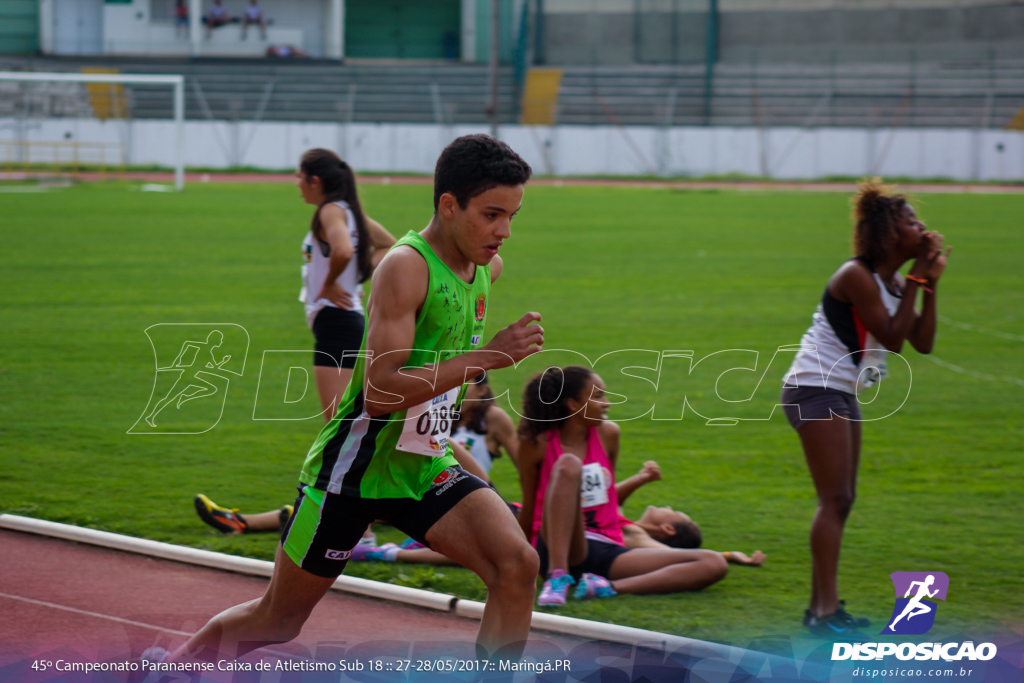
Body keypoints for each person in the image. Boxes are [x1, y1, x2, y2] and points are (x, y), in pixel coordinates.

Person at [156, 135, 541, 664]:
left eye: (513, 216)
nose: (504, 231)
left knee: (517, 566)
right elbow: (382, 393)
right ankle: (168, 671)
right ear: (449, 205)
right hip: (354, 473)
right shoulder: (407, 268)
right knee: (279, 620)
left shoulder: (484, 269)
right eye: (492, 214)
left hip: (422, 467)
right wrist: (489, 358)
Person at [193, 148, 395, 536]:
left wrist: (338, 282)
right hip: (343, 322)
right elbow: (386, 244)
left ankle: (359, 529)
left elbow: (345, 249)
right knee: (345, 425)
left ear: (315, 181)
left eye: (299, 177)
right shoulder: (349, 211)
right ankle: (360, 516)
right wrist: (355, 281)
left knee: (338, 428)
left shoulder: (330, 212)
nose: (296, 184)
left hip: (337, 323)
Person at [781, 179, 949, 637]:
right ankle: (823, 612)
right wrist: (916, 278)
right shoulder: (855, 274)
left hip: (840, 390)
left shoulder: (895, 281)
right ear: (890, 233)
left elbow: (924, 342)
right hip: (814, 387)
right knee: (834, 500)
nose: (922, 226)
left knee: (843, 499)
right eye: (912, 220)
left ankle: (821, 609)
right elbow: (893, 340)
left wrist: (928, 284)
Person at [517, 366, 729, 607]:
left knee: (713, 563)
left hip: (607, 548)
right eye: (598, 396)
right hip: (557, 545)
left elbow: (608, 500)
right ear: (573, 404)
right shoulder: (536, 442)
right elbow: (530, 504)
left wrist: (638, 483)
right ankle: (558, 577)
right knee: (568, 464)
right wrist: (517, 561)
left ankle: (604, 587)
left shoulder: (609, 434)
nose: (607, 403)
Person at [451, 371, 519, 478]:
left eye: (463, 385)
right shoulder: (443, 418)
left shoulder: (493, 417)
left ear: (482, 390)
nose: (457, 392)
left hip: (472, 492)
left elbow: (523, 464)